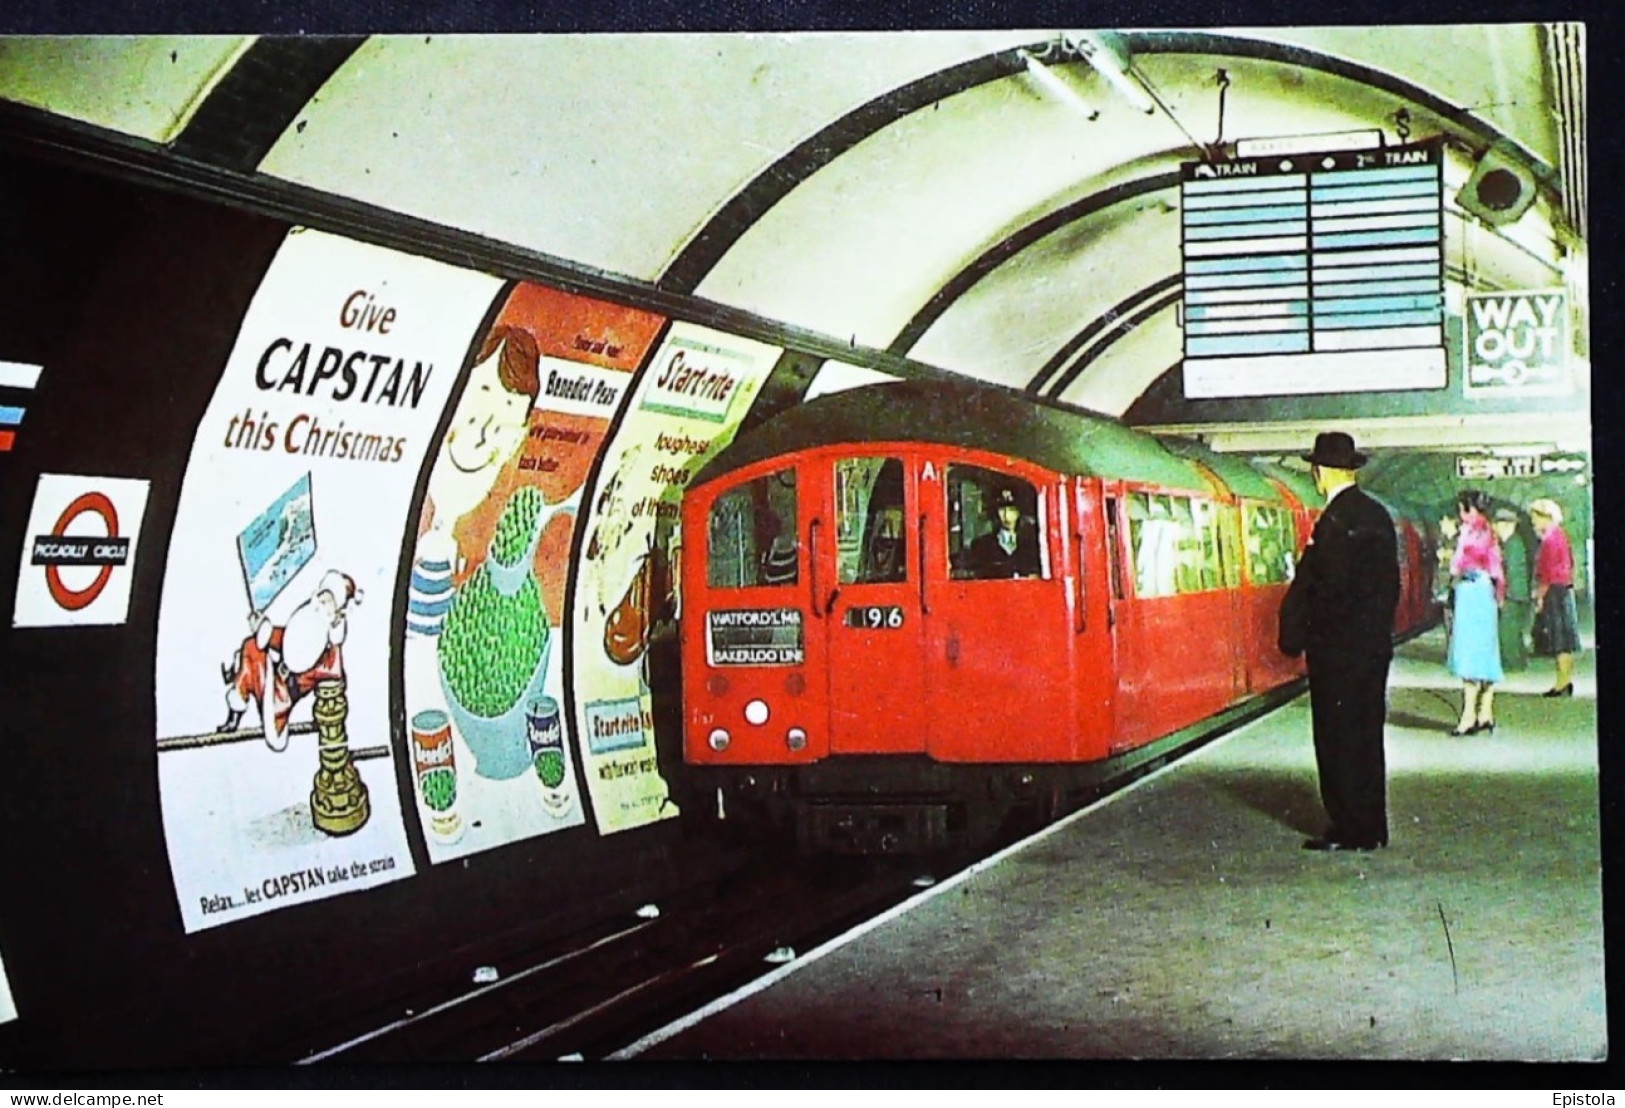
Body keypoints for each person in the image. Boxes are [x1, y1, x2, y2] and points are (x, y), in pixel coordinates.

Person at [1277, 432, 1399, 852]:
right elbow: (1388, 588)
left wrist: (1306, 633)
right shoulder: (1377, 515)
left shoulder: (1335, 519)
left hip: (1337, 652)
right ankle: (1371, 826)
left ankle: (1348, 827)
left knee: (1336, 738)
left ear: (1320, 472)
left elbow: (1325, 589)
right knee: (1366, 737)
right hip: (1371, 649)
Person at [218, 570, 362, 751]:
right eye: (322, 598)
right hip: (273, 674)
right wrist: (262, 627)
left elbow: (334, 673)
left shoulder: (324, 654)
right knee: (251, 647)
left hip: (281, 696)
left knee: (253, 657)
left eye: (329, 604)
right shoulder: (304, 622)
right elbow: (281, 638)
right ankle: (234, 716)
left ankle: (237, 677)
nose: (321, 606)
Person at [1448, 490, 1504, 734]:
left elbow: (1456, 566)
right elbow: (1497, 571)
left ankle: (1469, 716)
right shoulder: (1491, 533)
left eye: (1463, 510)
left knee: (1469, 653)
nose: (1461, 515)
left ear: (1470, 510)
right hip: (1486, 593)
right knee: (1487, 653)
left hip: (1471, 593)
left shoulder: (1469, 533)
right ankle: (1486, 711)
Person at [1529, 498, 1580, 697]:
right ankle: (1565, 680)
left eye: (1535, 517)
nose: (1533, 522)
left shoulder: (1551, 540)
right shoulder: (1560, 536)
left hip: (1555, 593)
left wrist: (1540, 597)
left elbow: (1547, 573)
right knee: (1563, 642)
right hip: (1563, 590)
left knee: (1560, 642)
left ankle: (1562, 683)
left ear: (1546, 517)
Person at [968, 486, 1041, 579]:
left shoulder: (1032, 545)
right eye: (1002, 510)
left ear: (1019, 512)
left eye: (1011, 510)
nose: (1006, 516)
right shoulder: (982, 545)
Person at [1493, 508, 1532, 673]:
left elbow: (1512, 571)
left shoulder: (1512, 544)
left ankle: (1512, 665)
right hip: (1517, 593)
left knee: (1508, 631)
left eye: (1498, 524)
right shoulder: (1513, 542)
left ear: (1507, 525)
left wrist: (1504, 594)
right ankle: (1519, 662)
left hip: (1514, 594)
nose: (1495, 528)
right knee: (1514, 631)